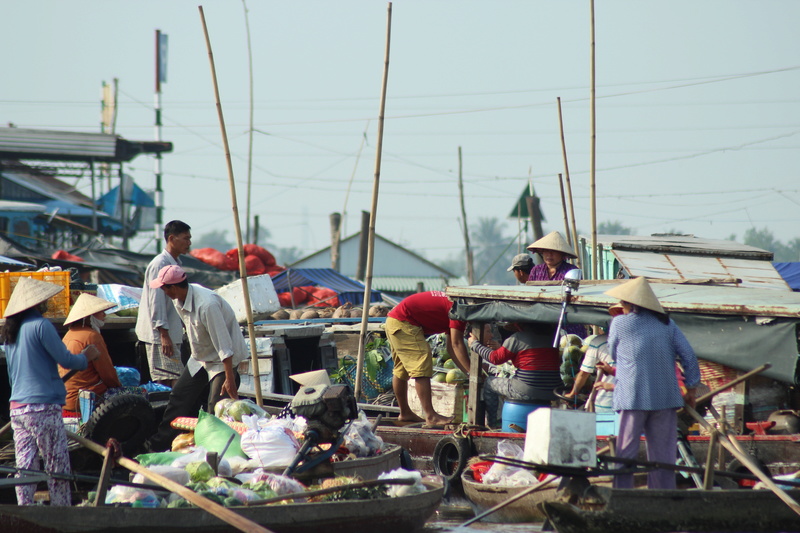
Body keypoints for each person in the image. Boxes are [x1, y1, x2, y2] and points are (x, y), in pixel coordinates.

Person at [2, 277, 100, 506]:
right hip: (43, 407)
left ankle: (25, 509)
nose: (47, 303)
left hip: (18, 409)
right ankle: (62, 511)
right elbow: (66, 359)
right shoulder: (41, 325)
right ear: (36, 304)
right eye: (44, 300)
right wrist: (87, 356)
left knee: (25, 467)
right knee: (58, 466)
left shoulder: (11, 333)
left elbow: (11, 375)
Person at [605, 276, 701, 490]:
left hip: (632, 397)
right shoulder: (667, 323)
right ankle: (663, 495)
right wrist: (692, 389)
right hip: (665, 397)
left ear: (631, 304)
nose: (621, 306)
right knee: (663, 455)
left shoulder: (619, 323)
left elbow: (612, 352)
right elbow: (689, 357)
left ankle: (622, 494)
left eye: (623, 303)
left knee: (626, 452)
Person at [144, 265, 246, 452]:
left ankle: (214, 452)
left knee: (215, 407)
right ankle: (157, 445)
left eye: (164, 288)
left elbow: (224, 346)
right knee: (178, 397)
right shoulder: (179, 299)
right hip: (200, 357)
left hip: (222, 360)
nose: (163, 292)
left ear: (173, 288)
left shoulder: (207, 305)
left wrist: (230, 378)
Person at [385, 290, 470, 428]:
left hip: (395, 321)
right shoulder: (461, 309)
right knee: (422, 362)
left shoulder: (455, 306)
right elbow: (457, 344)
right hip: (404, 321)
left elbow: (451, 348)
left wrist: (468, 372)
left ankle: (405, 413)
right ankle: (431, 416)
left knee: (401, 370)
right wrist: (472, 373)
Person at [467, 322, 561, 428]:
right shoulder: (554, 337)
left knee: (489, 382)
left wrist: (475, 344)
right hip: (553, 391)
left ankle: (491, 425)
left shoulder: (517, 338)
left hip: (526, 390)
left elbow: (495, 358)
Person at [135, 220, 192, 387]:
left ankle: (169, 411)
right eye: (185, 238)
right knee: (167, 378)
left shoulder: (174, 263)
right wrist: (164, 334)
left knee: (171, 376)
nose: (189, 243)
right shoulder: (160, 264)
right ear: (172, 238)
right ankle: (166, 412)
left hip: (170, 331)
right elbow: (156, 302)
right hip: (160, 335)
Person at [59, 293, 122, 415]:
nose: (104, 315)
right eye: (101, 311)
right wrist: (119, 388)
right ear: (90, 316)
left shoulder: (69, 334)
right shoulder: (92, 336)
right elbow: (108, 375)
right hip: (84, 399)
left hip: (65, 397)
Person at [563, 304, 624, 413]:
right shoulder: (641, 342)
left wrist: (572, 394)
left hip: (603, 405)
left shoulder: (598, 342)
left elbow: (583, 374)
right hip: (629, 406)